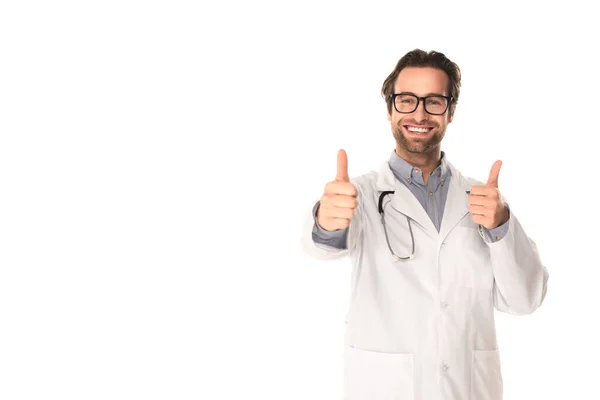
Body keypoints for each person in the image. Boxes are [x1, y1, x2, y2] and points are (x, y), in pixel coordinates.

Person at [300, 49, 549, 400]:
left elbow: (525, 301)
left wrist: (501, 226)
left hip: (468, 387)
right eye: (406, 100)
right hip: (387, 387)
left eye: (434, 101)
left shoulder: (484, 201)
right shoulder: (361, 195)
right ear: (389, 109)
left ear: (450, 111)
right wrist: (326, 221)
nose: (419, 113)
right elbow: (321, 247)